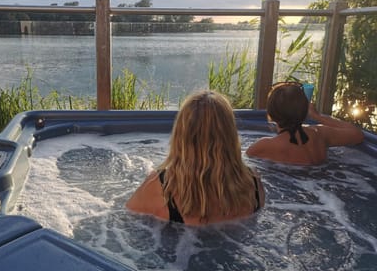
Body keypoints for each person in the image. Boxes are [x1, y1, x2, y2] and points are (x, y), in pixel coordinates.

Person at [126, 90, 265, 225]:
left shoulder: (160, 186)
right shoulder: (253, 183)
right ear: (230, 134)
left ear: (181, 135)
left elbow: (128, 222)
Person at [246, 82, 365, 165]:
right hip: (325, 194)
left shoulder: (264, 146)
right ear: (305, 110)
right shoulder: (320, 134)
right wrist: (317, 116)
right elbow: (357, 135)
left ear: (271, 113)